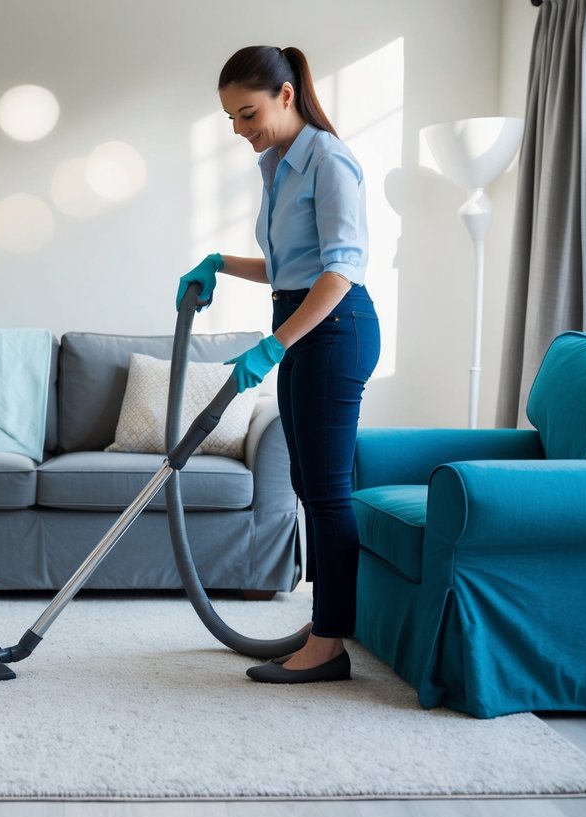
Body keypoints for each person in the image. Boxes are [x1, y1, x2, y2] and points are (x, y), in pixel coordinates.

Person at [176, 45, 381, 683]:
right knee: (307, 489)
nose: (239, 130)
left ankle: (328, 646)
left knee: (325, 492)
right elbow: (290, 268)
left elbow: (340, 270)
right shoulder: (280, 165)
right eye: (232, 120)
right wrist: (219, 262)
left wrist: (275, 345)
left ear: (285, 95)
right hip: (303, 324)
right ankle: (324, 631)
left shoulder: (329, 159)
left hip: (334, 328)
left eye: (247, 113)